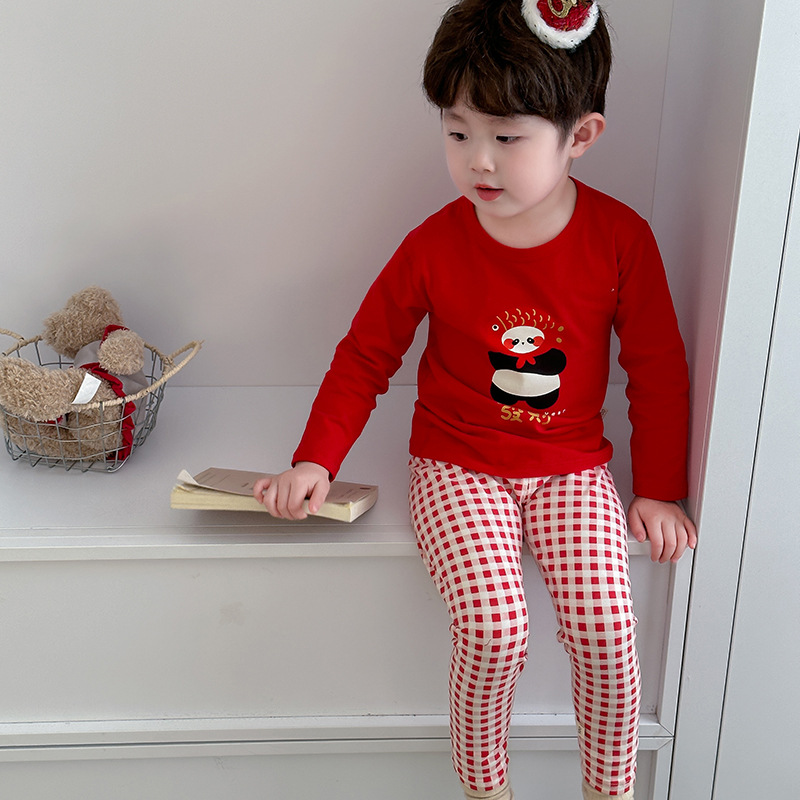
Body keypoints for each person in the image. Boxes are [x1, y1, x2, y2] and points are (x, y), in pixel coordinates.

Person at [254, 1, 697, 798]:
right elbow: (365, 355)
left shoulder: (621, 240)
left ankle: (611, 789)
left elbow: (658, 369)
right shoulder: (434, 244)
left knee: (608, 629)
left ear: (580, 136)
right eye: (458, 133)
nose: (479, 162)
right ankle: (485, 788)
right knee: (494, 630)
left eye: (506, 137)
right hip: (456, 465)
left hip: (571, 468)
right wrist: (315, 460)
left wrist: (660, 489)